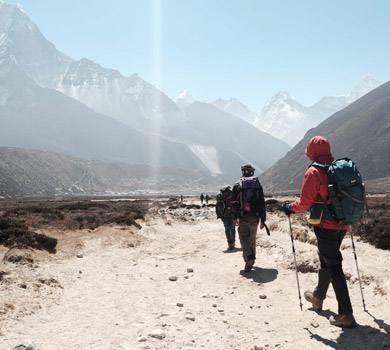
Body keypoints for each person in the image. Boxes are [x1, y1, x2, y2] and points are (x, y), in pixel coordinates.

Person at [281, 135, 356, 328]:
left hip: (325, 225)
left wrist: (289, 207)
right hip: (342, 223)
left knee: (334, 266)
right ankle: (318, 297)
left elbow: (304, 203)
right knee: (327, 261)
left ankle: (346, 314)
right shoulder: (338, 169)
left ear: (312, 152)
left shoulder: (314, 172)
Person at [232, 163, 266, 272]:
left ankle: (248, 257)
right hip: (255, 217)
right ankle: (251, 261)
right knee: (252, 239)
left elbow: (233, 203)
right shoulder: (257, 184)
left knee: (243, 237)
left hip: (243, 217)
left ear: (242, 171)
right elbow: (262, 203)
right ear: (252, 172)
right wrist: (263, 219)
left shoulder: (238, 185)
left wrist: (234, 217)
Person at [216, 185, 236, 250]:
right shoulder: (232, 194)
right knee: (232, 229)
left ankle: (230, 244)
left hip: (224, 216)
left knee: (227, 230)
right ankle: (233, 243)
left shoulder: (220, 196)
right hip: (232, 215)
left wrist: (220, 216)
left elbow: (217, 207)